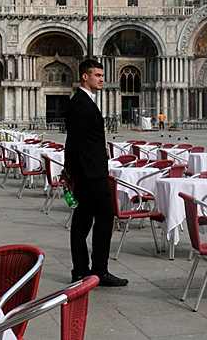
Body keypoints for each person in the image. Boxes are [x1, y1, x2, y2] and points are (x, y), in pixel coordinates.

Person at [64, 59, 127, 287]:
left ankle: (81, 271)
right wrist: (69, 171)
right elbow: (73, 141)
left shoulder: (84, 102)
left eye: (102, 75)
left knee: (82, 220)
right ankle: (99, 270)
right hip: (90, 174)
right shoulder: (81, 103)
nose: (102, 79)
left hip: (88, 171)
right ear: (85, 76)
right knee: (105, 217)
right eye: (98, 75)